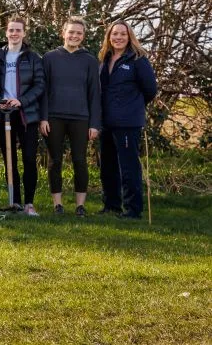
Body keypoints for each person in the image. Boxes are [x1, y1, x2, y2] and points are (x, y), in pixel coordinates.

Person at [40, 16, 102, 217]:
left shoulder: (90, 61)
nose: (74, 36)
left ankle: (80, 205)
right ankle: (57, 204)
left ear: (83, 36)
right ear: (63, 33)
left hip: (81, 118)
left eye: (79, 33)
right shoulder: (49, 58)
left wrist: (94, 123)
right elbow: (43, 90)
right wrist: (43, 118)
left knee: (80, 161)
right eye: (71, 32)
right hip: (54, 117)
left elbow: (94, 94)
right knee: (54, 161)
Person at [98, 21, 157, 218]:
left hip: (127, 122)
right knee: (107, 166)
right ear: (109, 37)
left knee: (128, 166)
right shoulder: (105, 59)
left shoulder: (138, 59)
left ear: (129, 36)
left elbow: (150, 90)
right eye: (115, 34)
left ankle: (133, 209)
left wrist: (131, 106)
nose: (118, 37)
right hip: (106, 121)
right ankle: (111, 205)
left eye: (123, 34)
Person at [0, 16, 45, 216]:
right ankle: (15, 202)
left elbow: (40, 85)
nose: (14, 33)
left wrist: (21, 100)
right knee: (9, 160)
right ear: (6, 32)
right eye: (11, 30)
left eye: (18, 30)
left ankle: (29, 204)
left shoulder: (33, 58)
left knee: (29, 158)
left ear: (24, 33)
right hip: (3, 114)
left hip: (26, 114)